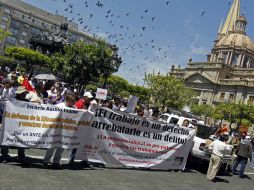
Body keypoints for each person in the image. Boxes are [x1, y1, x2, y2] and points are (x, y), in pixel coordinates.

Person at [43, 94, 76, 168]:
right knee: (52, 146)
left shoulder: (74, 107)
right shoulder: (59, 106)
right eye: (71, 102)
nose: (72, 103)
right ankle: (46, 160)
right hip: (56, 129)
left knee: (61, 147)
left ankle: (56, 161)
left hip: (66, 130)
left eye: (73, 102)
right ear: (67, 100)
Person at [0, 86, 29, 164]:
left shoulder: (28, 102)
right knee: (6, 139)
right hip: (11, 124)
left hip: (22, 124)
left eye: (25, 93)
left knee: (21, 140)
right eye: (23, 93)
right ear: (19, 94)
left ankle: (21, 156)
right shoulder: (11, 101)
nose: (25, 94)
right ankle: (4, 155)